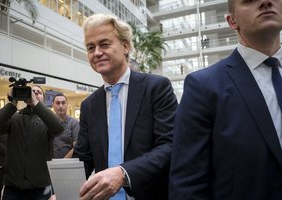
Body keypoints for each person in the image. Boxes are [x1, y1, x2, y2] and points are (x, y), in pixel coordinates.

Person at [169, 0, 282, 199]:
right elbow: (187, 183)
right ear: (232, 21)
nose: (265, 2)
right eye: (249, 0)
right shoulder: (203, 86)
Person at [73, 13, 178, 200]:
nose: (97, 52)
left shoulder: (156, 88)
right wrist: (63, 190)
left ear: (125, 46)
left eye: (104, 44)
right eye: (91, 47)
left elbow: (170, 145)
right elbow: (83, 158)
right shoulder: (89, 105)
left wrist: (123, 174)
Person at [0, 85, 64, 200]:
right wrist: (12, 104)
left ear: (43, 98)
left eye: (38, 92)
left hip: (40, 187)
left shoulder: (48, 120)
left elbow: (59, 128)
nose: (35, 93)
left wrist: (36, 104)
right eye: (32, 91)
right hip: (13, 187)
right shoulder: (14, 117)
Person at [52, 93, 79, 158]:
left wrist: (63, 161)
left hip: (68, 163)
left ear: (67, 105)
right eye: (58, 103)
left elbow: (76, 146)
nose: (61, 106)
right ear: (53, 105)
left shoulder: (74, 123)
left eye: (63, 103)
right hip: (50, 162)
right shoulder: (49, 122)